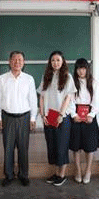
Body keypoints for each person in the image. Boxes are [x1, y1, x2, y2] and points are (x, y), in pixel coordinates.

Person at [0, 51, 37, 187]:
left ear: (24, 62)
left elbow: (33, 99)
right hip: (7, 117)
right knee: (8, 148)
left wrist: (33, 118)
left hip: (24, 118)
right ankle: (9, 175)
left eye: (20, 60)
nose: (17, 62)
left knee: (23, 148)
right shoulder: (2, 79)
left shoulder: (29, 79)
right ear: (9, 61)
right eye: (14, 59)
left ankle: (23, 175)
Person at [38, 51, 76, 187]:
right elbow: (42, 96)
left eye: (58, 60)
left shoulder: (67, 77)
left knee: (61, 146)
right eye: (53, 60)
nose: (55, 63)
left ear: (63, 61)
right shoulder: (46, 76)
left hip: (62, 117)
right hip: (49, 117)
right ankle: (56, 173)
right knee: (52, 146)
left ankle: (62, 174)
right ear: (50, 62)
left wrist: (61, 115)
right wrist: (42, 114)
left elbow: (68, 98)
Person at [69, 58, 99, 184]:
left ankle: (88, 171)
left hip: (89, 115)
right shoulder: (72, 82)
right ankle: (77, 170)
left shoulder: (94, 83)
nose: (81, 71)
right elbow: (69, 100)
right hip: (76, 115)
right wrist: (73, 114)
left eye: (83, 68)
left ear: (87, 69)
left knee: (90, 146)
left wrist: (92, 114)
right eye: (78, 68)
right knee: (76, 146)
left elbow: (98, 100)